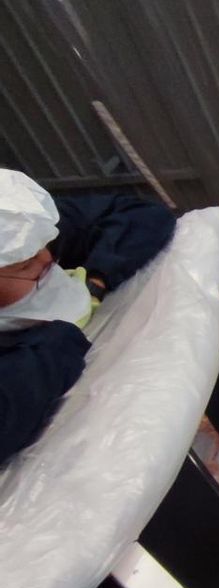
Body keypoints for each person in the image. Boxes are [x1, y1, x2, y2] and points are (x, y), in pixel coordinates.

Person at [0, 169, 176, 463]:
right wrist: (58, 337)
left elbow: (141, 215)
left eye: (45, 246)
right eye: (24, 265)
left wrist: (99, 279)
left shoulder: (18, 229)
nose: (47, 259)